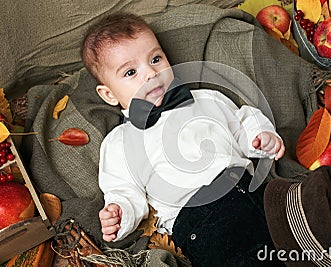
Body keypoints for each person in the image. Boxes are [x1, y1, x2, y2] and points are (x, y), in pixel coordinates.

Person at [81, 12, 285, 266]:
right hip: (200, 218)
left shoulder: (205, 98)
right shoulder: (119, 143)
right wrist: (119, 213)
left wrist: (261, 137)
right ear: (109, 94)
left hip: (255, 190)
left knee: (309, 238)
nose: (150, 74)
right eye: (131, 72)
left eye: (155, 59)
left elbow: (242, 121)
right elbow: (124, 192)